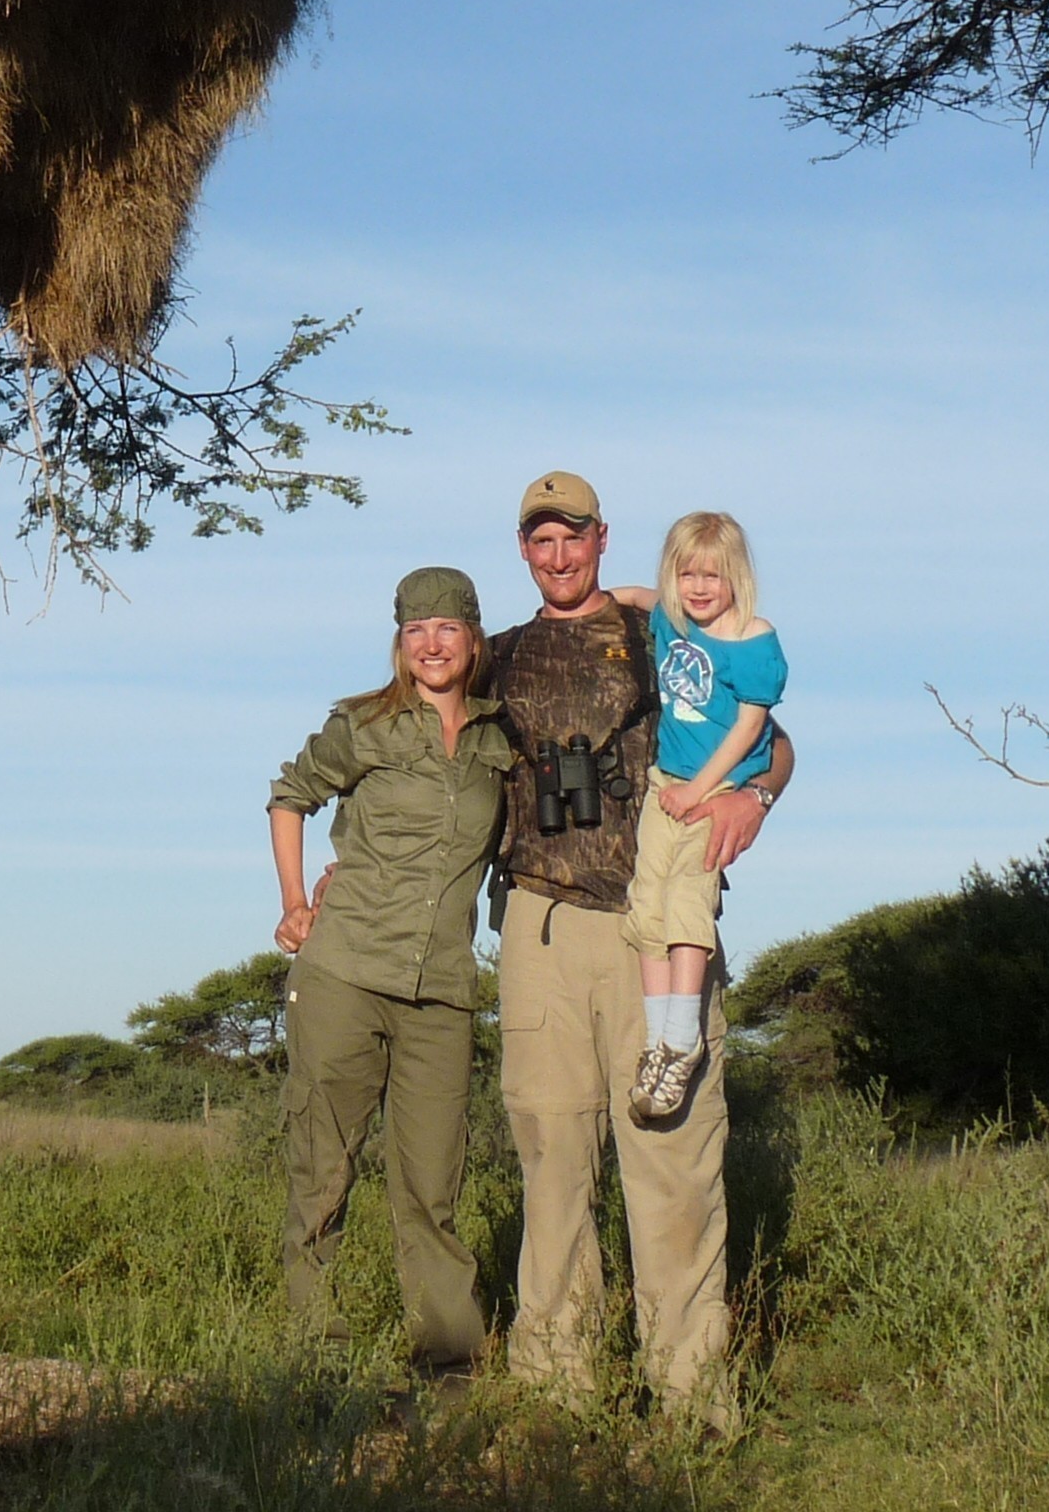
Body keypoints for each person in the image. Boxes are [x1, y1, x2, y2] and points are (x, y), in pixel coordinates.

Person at [484, 469, 789, 1426]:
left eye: (573, 537)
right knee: (552, 1151)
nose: (558, 555)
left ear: (602, 538)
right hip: (538, 924)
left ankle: (693, 1399)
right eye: (541, 540)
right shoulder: (497, 656)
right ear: (524, 549)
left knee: (672, 1159)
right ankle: (555, 1398)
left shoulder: (660, 635)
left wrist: (755, 795)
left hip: (654, 932)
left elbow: (773, 739)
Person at [267, 563, 516, 1376]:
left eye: (448, 629)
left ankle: (446, 1367)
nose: (433, 645)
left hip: (442, 989)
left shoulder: (497, 739)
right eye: (417, 631)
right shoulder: (363, 724)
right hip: (343, 971)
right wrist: (297, 903)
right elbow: (289, 796)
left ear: (474, 639)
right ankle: (316, 1359)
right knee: (322, 1171)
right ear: (400, 642)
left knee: (432, 1188)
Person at [618, 511, 785, 1128]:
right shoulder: (671, 619)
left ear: (736, 575)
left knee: (688, 896)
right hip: (666, 785)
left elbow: (749, 728)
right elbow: (639, 597)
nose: (699, 586)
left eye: (712, 574)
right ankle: (659, 1040)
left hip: (715, 789)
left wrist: (703, 792)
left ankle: (682, 1037)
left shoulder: (754, 641)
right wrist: (601, 597)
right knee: (648, 902)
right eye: (687, 573)